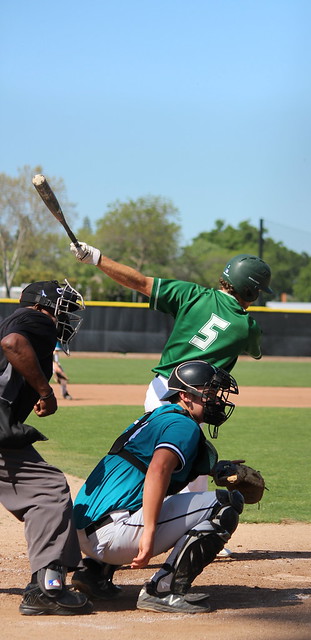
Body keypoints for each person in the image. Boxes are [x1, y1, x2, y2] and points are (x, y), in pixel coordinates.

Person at [70, 243, 273, 499]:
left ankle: (169, 523)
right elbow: (255, 351)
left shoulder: (191, 294)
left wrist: (98, 258)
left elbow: (140, 282)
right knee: (180, 470)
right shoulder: (247, 326)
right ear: (251, 291)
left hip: (161, 388)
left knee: (180, 464)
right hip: (192, 398)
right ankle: (170, 527)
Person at [71, 360, 244, 614]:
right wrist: (149, 533)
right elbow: (158, 470)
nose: (216, 401)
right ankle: (163, 590)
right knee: (224, 505)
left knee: (143, 498)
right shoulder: (183, 425)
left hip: (87, 529)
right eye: (209, 394)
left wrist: (216, 469)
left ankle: (94, 573)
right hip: (113, 536)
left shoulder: (156, 417)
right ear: (185, 396)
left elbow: (148, 468)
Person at [0, 279, 91, 616]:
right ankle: (47, 589)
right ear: (43, 304)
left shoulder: (11, 319)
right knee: (49, 491)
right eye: (64, 307)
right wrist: (45, 391)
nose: (65, 316)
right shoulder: (38, 322)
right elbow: (13, 344)